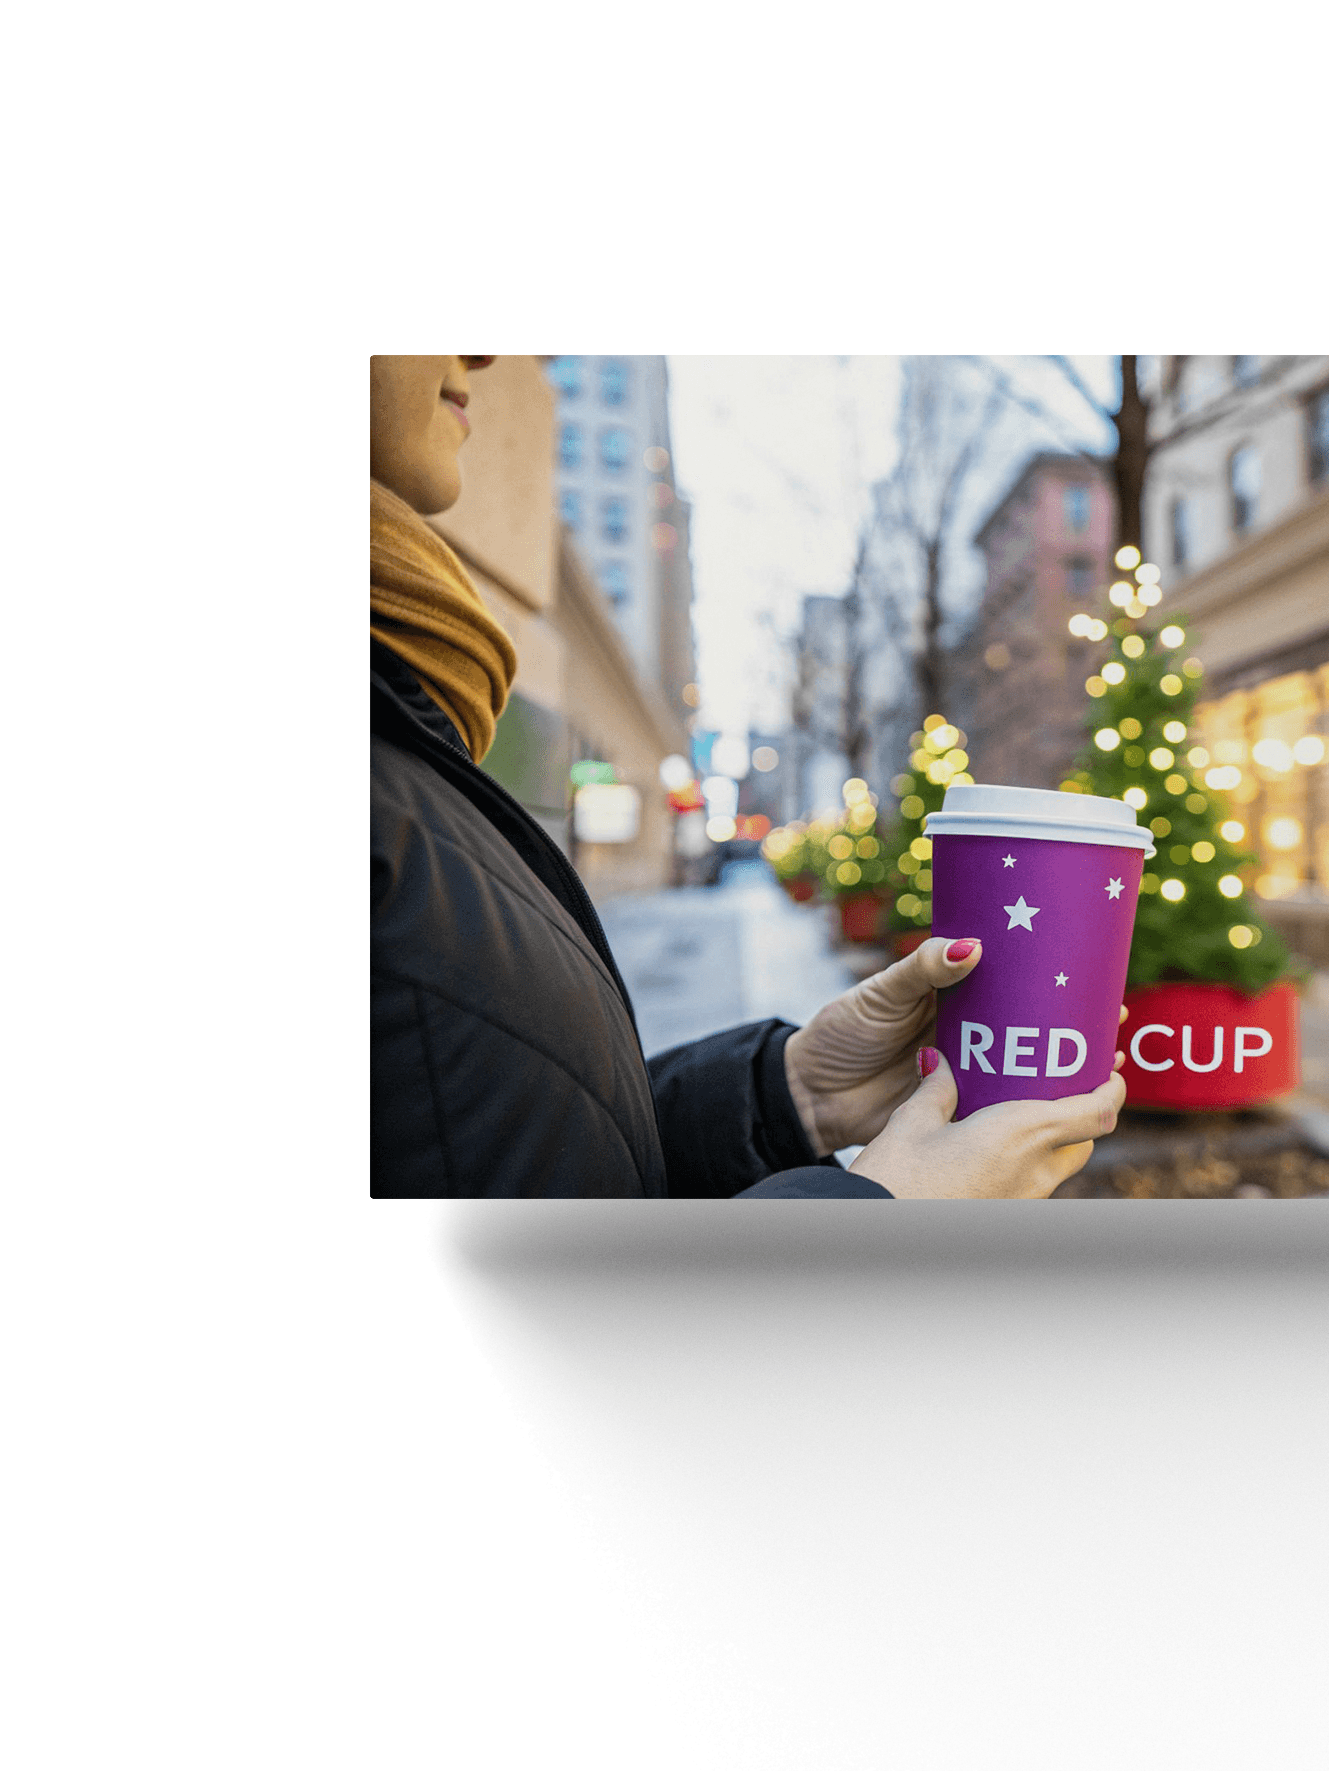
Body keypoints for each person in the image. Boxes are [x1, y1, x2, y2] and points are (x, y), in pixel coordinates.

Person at [368, 355, 1125, 1196]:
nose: (484, 349)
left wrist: (788, 1094)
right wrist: (883, 1215)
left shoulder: (404, 713)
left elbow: (525, 1154)